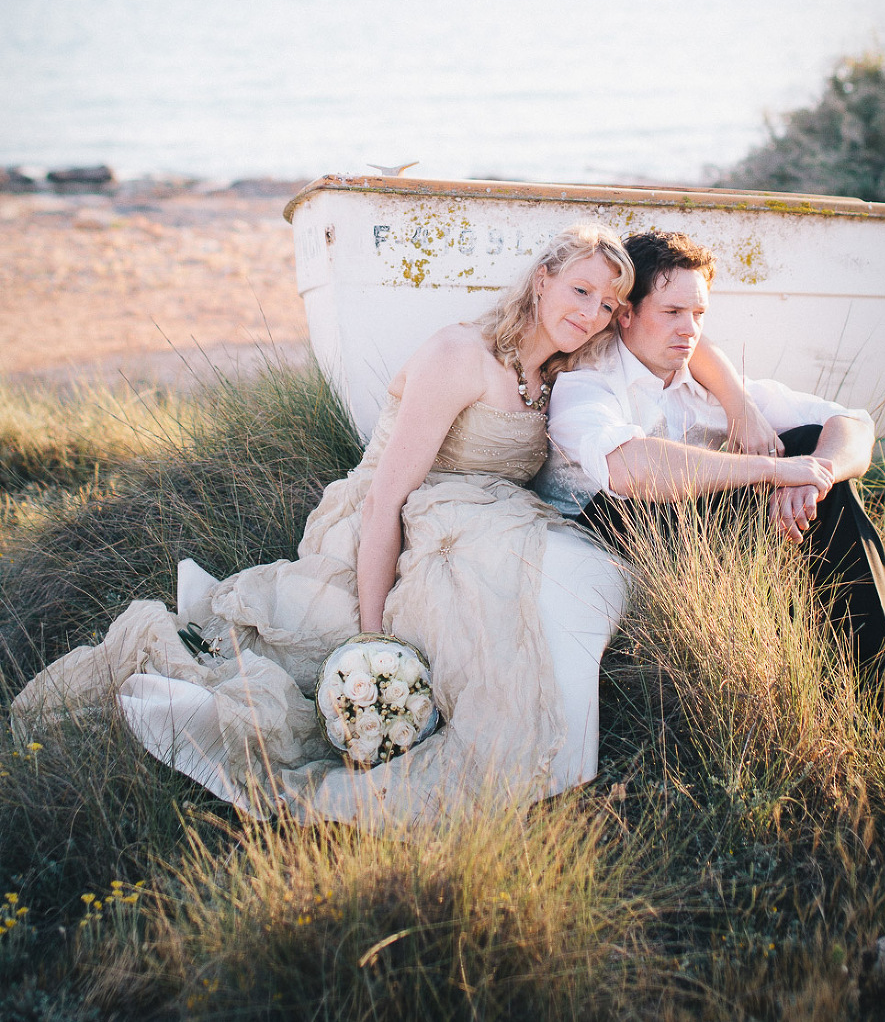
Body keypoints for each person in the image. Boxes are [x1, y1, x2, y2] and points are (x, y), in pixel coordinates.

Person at [11, 222, 831, 823]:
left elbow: (694, 338)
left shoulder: (570, 358)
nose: (591, 312)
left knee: (589, 579)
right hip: (400, 516)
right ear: (541, 277)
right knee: (356, 635)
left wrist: (739, 404)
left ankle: (551, 743)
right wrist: (372, 631)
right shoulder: (458, 354)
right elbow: (386, 496)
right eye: (579, 289)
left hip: (489, 513)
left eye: (607, 301)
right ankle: (501, 746)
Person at [538, 227, 885, 758]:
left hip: (691, 526)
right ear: (626, 315)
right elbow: (626, 469)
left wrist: (814, 471)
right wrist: (774, 474)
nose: (690, 332)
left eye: (699, 316)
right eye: (672, 313)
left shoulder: (707, 384)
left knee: (813, 453)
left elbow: (852, 424)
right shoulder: (587, 384)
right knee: (789, 464)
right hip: (607, 530)